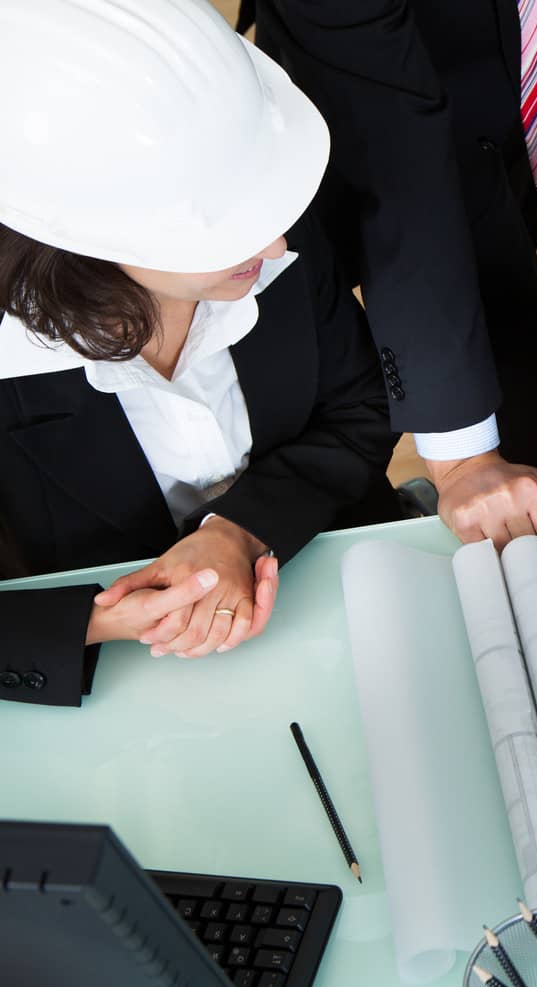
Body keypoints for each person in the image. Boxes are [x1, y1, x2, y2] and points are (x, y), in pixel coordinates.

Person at [0, 0, 397, 707]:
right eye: (226, 231)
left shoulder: (267, 209)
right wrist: (92, 623)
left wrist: (240, 529)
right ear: (84, 236)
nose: (276, 247)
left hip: (341, 602)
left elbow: (361, 406)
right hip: (126, 690)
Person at [244, 0, 537, 548]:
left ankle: (511, 476)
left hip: (506, 87)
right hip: (372, 90)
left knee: (514, 299)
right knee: (499, 332)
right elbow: (395, 154)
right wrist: (462, 459)